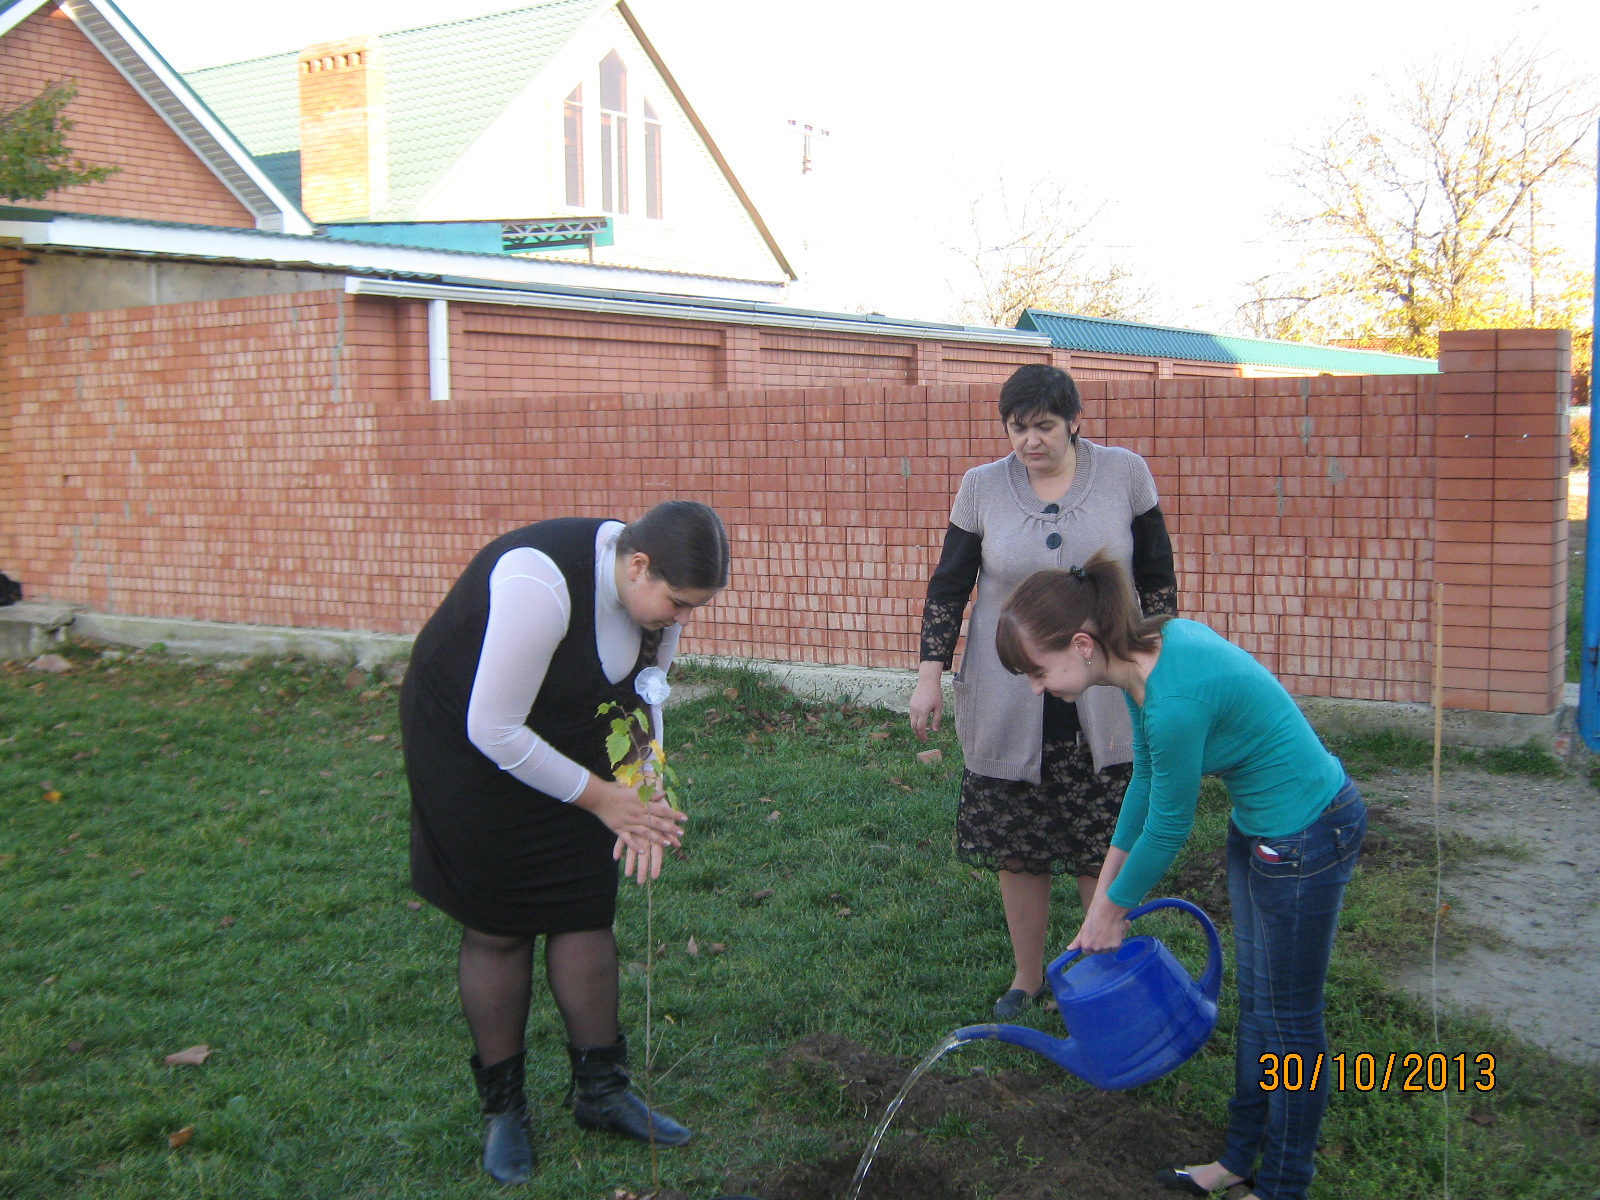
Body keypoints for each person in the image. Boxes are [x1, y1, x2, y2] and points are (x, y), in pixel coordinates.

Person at [995, 552, 1367, 1200]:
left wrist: (1114, 910)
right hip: (1263, 829)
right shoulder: (1147, 659)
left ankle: (1283, 1188)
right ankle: (1236, 1163)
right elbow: (1146, 784)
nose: (1034, 686)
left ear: (1082, 645)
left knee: (1289, 1022)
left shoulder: (1170, 698)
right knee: (1261, 1008)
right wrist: (1101, 904)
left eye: (1036, 670)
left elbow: (1170, 824)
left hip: (1309, 832)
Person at [399, 501, 729, 1184]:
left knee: (584, 907)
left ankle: (602, 1093)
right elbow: (493, 729)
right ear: (638, 566)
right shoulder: (540, 583)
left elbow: (644, 700)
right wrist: (605, 799)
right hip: (467, 744)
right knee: (499, 928)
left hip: (568, 734)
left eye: (693, 608)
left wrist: (647, 791)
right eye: (677, 602)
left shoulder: (653, 607)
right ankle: (504, 1110)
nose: (682, 619)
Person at [909, 363, 1176, 1019]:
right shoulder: (980, 488)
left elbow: (1157, 576)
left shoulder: (1125, 474)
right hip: (1011, 692)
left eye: (1045, 427)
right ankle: (1028, 978)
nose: (1030, 441)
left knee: (1099, 838)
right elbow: (948, 587)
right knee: (1019, 846)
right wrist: (928, 676)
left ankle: (1103, 970)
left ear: (1075, 421)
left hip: (1104, 692)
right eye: (1018, 428)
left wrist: (1159, 664)